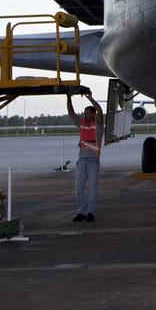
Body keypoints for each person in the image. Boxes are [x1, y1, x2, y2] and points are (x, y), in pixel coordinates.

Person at [67, 90, 105, 223]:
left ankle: (91, 212)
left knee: (93, 188)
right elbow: (71, 113)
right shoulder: (82, 123)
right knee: (79, 189)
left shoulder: (98, 124)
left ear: (93, 114)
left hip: (93, 160)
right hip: (82, 160)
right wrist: (68, 98)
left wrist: (90, 98)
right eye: (85, 112)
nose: (85, 114)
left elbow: (100, 110)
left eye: (88, 112)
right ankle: (81, 212)